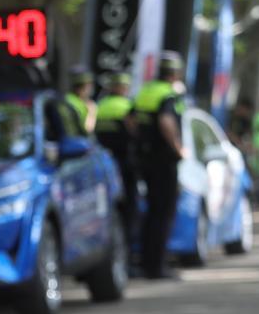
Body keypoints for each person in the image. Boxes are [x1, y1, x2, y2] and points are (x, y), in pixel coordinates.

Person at [135, 51, 188, 280]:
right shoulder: (168, 94)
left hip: (145, 159)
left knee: (151, 213)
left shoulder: (146, 91)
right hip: (164, 161)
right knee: (164, 214)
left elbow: (132, 120)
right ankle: (157, 267)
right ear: (175, 73)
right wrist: (178, 148)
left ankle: (146, 263)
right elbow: (166, 121)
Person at [93, 72, 139, 252]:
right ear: (125, 88)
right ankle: (125, 251)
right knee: (128, 209)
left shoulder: (100, 106)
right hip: (125, 165)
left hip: (103, 165)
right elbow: (134, 131)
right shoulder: (128, 106)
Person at [65, 65, 97, 134]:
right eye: (90, 85)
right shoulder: (85, 105)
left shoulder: (66, 98)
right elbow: (88, 129)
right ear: (85, 86)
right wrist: (92, 112)